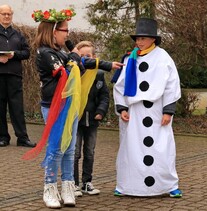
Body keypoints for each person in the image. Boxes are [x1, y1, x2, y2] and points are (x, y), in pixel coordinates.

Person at [22, 8, 123, 209]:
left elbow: (81, 61)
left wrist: (106, 64)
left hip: (70, 106)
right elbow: (65, 72)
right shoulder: (45, 53)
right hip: (54, 107)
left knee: (69, 149)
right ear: (53, 31)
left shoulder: (61, 52)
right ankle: (49, 188)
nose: (68, 34)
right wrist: (74, 56)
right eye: (65, 30)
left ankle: (68, 186)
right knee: (56, 149)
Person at [113, 18, 182, 198]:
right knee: (131, 149)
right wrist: (122, 108)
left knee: (162, 147)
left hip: (157, 111)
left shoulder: (163, 57)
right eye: (137, 39)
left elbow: (171, 85)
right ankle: (127, 185)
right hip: (135, 112)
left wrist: (168, 111)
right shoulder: (130, 59)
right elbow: (119, 86)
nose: (139, 42)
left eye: (142, 38)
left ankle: (168, 185)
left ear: (153, 39)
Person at [74, 41, 109, 196]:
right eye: (82, 56)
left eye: (88, 56)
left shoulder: (99, 75)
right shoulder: (74, 73)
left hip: (92, 119)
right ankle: (72, 183)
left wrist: (101, 111)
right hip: (76, 119)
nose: (85, 59)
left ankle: (86, 182)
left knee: (89, 152)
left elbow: (104, 96)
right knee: (74, 153)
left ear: (94, 57)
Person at [0, 4, 36, 148]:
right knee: (0, 108)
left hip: (15, 75)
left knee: (17, 108)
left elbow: (27, 53)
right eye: (4, 14)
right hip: (0, 75)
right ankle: (3, 137)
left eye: (9, 14)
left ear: (12, 15)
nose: (7, 16)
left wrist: (14, 55)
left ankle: (22, 137)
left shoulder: (18, 34)